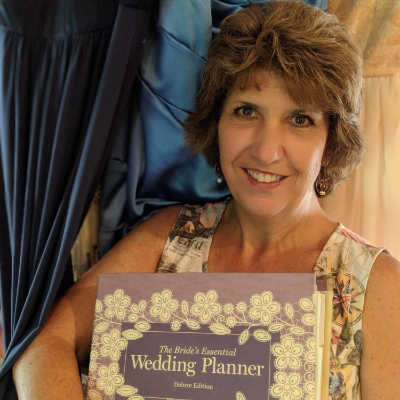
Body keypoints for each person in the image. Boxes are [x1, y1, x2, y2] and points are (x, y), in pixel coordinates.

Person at [12, 1, 400, 399]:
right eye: (246, 111)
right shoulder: (170, 238)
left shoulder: (378, 285)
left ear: (331, 145)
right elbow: (43, 343)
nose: (266, 151)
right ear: (216, 124)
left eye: (300, 119)